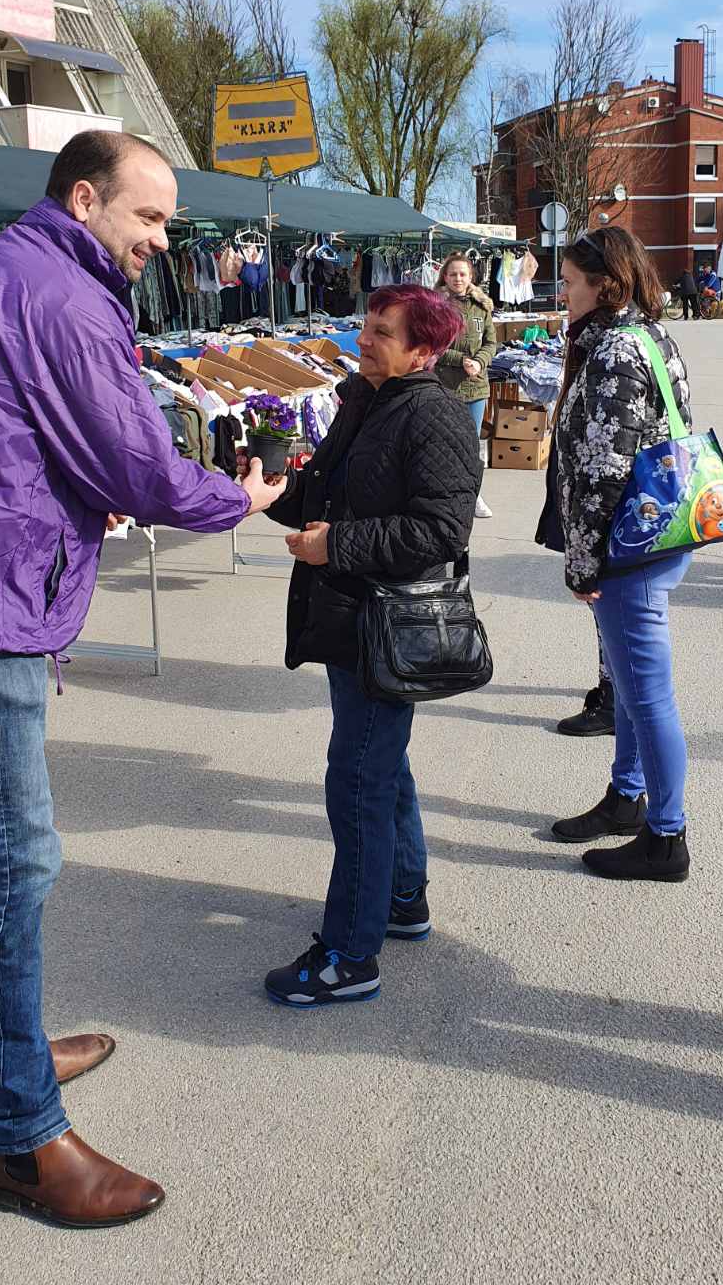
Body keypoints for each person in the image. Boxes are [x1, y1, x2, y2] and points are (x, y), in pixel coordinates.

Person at [0, 130, 287, 1228]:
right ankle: (26, 1140)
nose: (160, 239)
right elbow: (134, 462)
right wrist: (242, 499)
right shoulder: (65, 299)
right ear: (84, 198)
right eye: (148, 216)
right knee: (12, 856)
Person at [260, 284, 479, 1005]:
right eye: (367, 325)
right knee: (382, 767)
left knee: (358, 778)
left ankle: (351, 954)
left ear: (424, 350)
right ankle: (402, 900)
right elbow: (327, 490)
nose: (364, 338)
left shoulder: (435, 416)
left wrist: (340, 545)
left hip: (385, 623)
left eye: (383, 332)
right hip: (354, 620)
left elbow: (443, 533)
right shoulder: (366, 398)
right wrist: (263, 496)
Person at [550, 227, 693, 882]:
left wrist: (582, 559)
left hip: (628, 545)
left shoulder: (612, 351)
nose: (562, 292)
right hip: (657, 533)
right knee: (635, 692)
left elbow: (604, 466)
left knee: (648, 695)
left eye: (571, 282)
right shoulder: (650, 332)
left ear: (603, 285)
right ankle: (627, 799)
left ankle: (667, 838)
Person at [534, 433, 616, 737]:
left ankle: (614, 699)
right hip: (623, 521)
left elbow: (607, 469)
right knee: (613, 618)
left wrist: (584, 559)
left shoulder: (608, 381)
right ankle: (614, 692)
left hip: (611, 524)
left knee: (612, 615)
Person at [434, 251, 497, 520]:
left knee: (471, 444)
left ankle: (473, 494)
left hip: (476, 386)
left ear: (471, 276)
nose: (458, 278)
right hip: (445, 385)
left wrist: (480, 363)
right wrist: (462, 360)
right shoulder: (434, 306)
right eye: (453, 274)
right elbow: (432, 345)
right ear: (444, 277)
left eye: (463, 274)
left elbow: (491, 342)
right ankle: (443, 496)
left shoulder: (482, 306)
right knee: (445, 442)